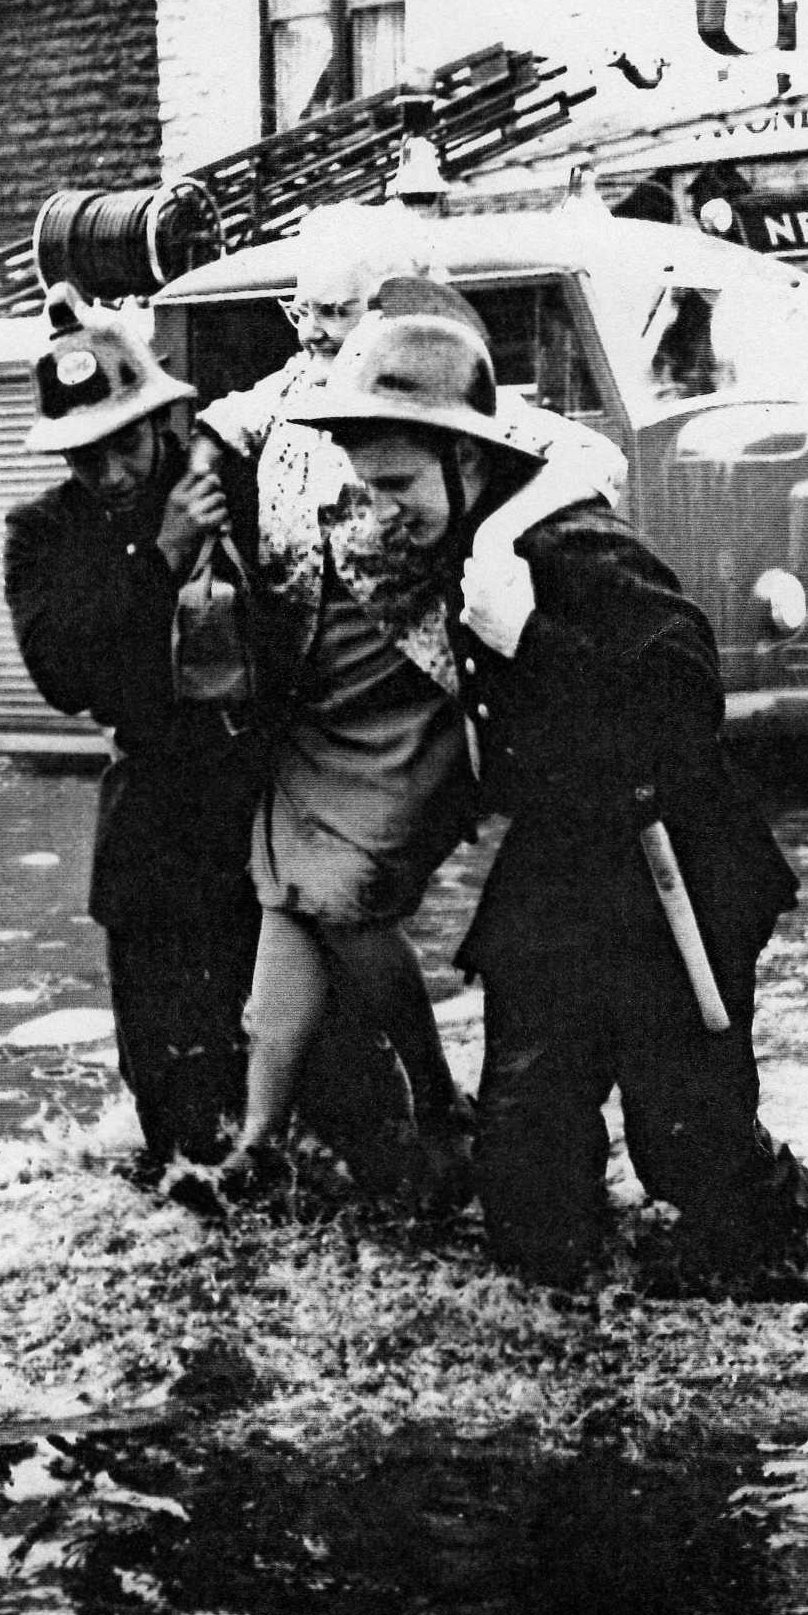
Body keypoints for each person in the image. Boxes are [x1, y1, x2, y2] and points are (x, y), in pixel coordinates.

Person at [291, 298, 808, 1292]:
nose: (383, 508)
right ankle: (557, 1316)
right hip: (569, 859)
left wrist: (533, 635)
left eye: (398, 484)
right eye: (371, 485)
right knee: (526, 1139)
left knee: (686, 1143)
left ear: (467, 458)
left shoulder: (567, 548)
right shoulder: (473, 531)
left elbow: (686, 694)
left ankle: (776, 1252)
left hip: (681, 863)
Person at [194, 259, 545, 1202]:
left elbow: (565, 455)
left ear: (386, 308)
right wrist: (204, 449)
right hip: (315, 693)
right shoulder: (285, 397)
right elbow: (227, 419)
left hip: (409, 693)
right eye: (310, 311)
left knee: (349, 897)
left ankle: (437, 1103)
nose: (324, 330)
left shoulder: (432, 383)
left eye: (345, 311)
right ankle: (259, 1141)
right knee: (287, 901)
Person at [2, 289, 264, 1175]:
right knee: (170, 1081)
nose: (108, 474)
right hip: (153, 811)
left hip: (260, 795)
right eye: (84, 457)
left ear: (164, 422)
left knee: (292, 1055)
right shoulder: (41, 537)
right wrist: (161, 556)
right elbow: (66, 676)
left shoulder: (235, 489)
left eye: (122, 446)